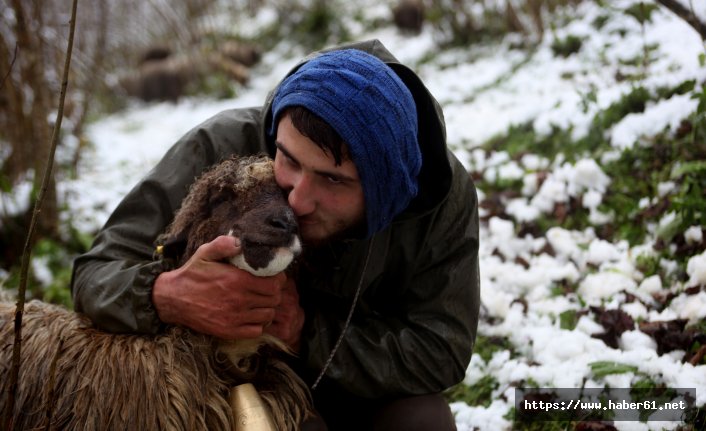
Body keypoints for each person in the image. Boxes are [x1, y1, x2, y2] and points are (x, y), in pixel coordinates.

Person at [71, 39, 480, 430]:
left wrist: (305, 333)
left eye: (333, 180)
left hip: (359, 385)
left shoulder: (435, 199)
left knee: (423, 420)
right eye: (288, 159)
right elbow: (95, 273)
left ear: (386, 188)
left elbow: (441, 349)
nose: (299, 200)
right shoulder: (222, 146)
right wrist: (166, 294)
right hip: (232, 386)